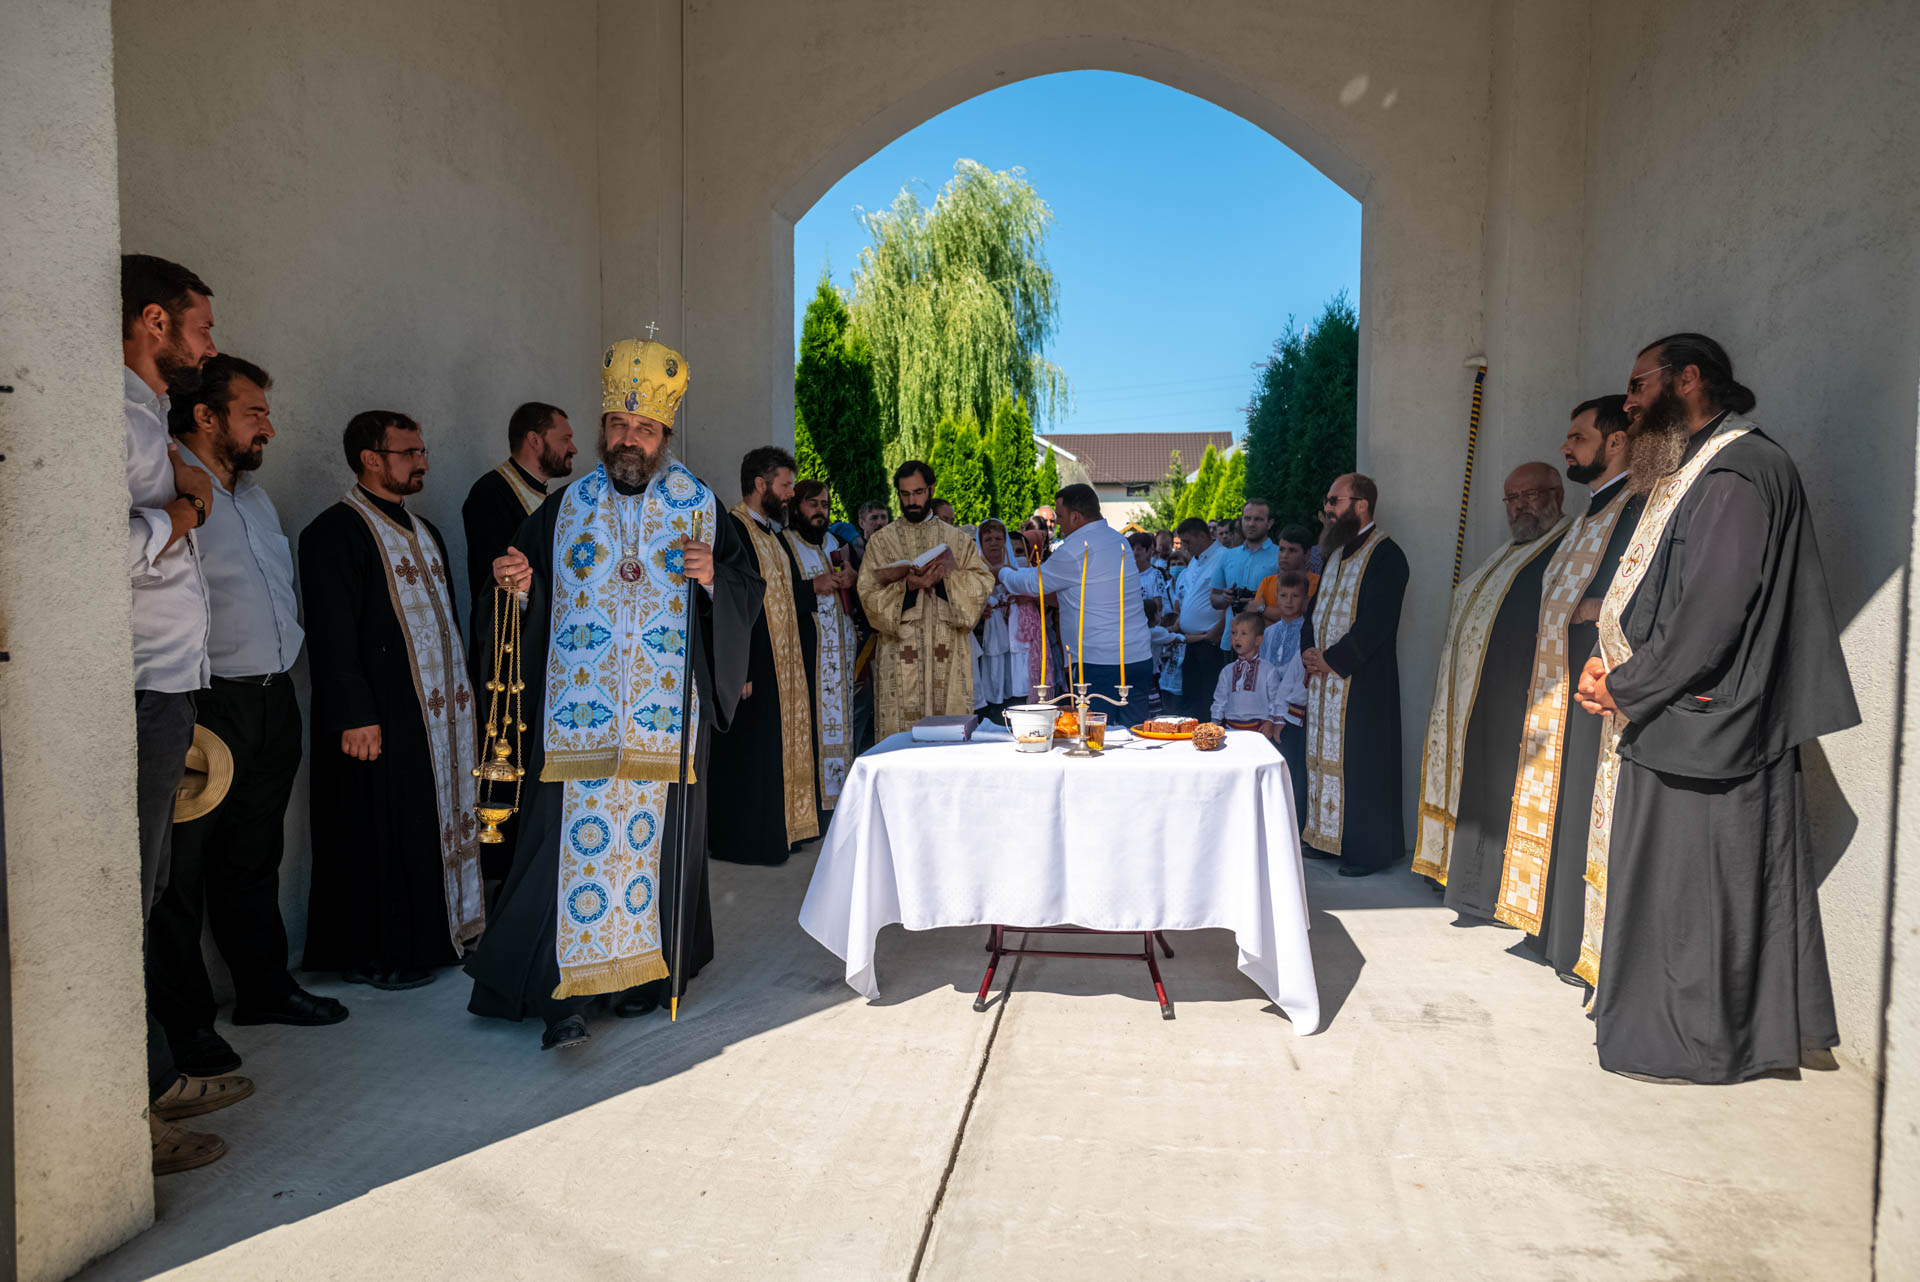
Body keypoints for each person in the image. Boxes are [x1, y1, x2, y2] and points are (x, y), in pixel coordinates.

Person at [1574, 334, 1856, 1084]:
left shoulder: (1735, 469)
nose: (1628, 403)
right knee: (1678, 894)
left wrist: (1624, 688)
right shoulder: (1699, 464)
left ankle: (1695, 1045)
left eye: (1638, 384)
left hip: (1709, 723)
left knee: (1697, 901)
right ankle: (1676, 1031)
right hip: (1680, 714)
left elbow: (1710, 615)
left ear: (1689, 378)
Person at [468, 335, 761, 1049]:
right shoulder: (562, 510)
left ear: (664, 435)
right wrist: (519, 590)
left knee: (652, 855)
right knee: (563, 855)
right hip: (578, 719)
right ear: (604, 429)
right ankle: (558, 998)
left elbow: (748, 588)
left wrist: (713, 580)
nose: (630, 439)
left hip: (665, 722)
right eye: (618, 426)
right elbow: (516, 596)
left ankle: (641, 980)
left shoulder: (701, 507)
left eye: (645, 429)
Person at [150, 356, 346, 1086]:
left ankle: (264, 991)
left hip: (270, 698)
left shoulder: (254, 498)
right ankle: (187, 1029)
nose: (269, 424)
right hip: (203, 703)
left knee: (252, 858)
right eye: (254, 411)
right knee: (179, 877)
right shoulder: (173, 485)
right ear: (206, 416)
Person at [122, 253, 253, 1175]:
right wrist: (183, 513)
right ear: (155, 322)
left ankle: (156, 1078)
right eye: (200, 325)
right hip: (134, 685)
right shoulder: (115, 412)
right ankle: (127, 1120)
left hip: (168, 682)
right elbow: (98, 540)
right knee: (128, 899)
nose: (209, 343)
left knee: (153, 886)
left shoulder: (145, 416)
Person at [299, 411, 484, 990]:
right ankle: (377, 954)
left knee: (423, 825)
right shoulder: (334, 531)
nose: (422, 462)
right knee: (374, 832)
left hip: (436, 718)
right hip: (377, 719)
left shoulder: (422, 529)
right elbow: (331, 634)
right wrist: (355, 714)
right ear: (370, 459)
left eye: (421, 450)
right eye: (408, 453)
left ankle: (439, 932)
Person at [1494, 396, 1644, 981]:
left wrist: (1591, 609)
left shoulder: (1636, 508)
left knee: (1584, 808)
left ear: (1614, 442)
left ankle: (1580, 943)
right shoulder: (1590, 511)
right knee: (1556, 805)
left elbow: (1641, 594)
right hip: (1555, 683)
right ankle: (1554, 932)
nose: (1565, 447)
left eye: (1577, 438)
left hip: (1594, 686)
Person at [1410, 462, 1572, 918]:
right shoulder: (1510, 550)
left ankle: (1490, 886)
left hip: (1515, 698)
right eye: (1512, 498)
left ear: (1557, 494)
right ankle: (1451, 868)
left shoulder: (1566, 545)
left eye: (1530, 495)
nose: (1520, 506)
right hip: (1470, 698)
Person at [460, 401, 576, 884]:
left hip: (553, 658)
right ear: (535, 440)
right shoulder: (492, 495)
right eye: (564, 438)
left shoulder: (554, 501)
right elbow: (499, 587)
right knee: (510, 771)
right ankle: (504, 885)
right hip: (509, 660)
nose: (573, 448)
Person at [708, 447, 820, 864]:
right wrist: (742, 669)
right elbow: (732, 606)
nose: (791, 493)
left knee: (776, 748)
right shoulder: (733, 530)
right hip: (754, 667)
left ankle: (786, 828)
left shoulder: (774, 535)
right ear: (761, 485)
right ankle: (748, 840)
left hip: (784, 664)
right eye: (786, 485)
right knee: (750, 756)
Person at [1301, 473, 1409, 877]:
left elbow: (1378, 621)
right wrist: (1310, 653)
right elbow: (1313, 612)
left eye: (1335, 500)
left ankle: (1368, 851)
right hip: (1325, 679)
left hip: (1363, 684)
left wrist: (1335, 659)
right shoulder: (1333, 554)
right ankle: (1328, 839)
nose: (1328, 508)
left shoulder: (1387, 555)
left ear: (1361, 504)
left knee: (1362, 764)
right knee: (1326, 762)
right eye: (1328, 501)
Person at [857, 461, 995, 739]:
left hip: (948, 651)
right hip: (898, 655)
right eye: (904, 494)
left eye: (918, 492)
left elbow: (982, 585)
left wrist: (945, 579)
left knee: (946, 740)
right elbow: (868, 596)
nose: (911, 501)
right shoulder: (881, 542)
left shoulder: (957, 540)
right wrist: (908, 586)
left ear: (931, 489)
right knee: (899, 741)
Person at [994, 485, 1153, 723]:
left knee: (1098, 735)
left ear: (1076, 516)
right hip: (1138, 655)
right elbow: (1086, 593)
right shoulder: (1118, 540)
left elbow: (1032, 583)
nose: (1058, 522)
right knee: (1136, 730)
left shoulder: (1074, 549)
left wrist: (1002, 572)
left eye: (1060, 515)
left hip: (1099, 660)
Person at [785, 478, 859, 818]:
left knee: (841, 724)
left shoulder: (835, 542)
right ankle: (812, 808)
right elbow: (773, 597)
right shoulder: (783, 544)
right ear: (795, 506)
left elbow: (857, 598)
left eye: (825, 505)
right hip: (807, 659)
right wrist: (811, 587)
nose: (820, 511)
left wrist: (852, 580)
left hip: (840, 658)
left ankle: (839, 804)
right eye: (813, 504)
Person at [1259, 570, 1313, 826]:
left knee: (1293, 766)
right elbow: (1266, 667)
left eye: (1295, 596)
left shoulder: (1307, 630)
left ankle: (1295, 822)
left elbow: (1294, 670)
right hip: (1269, 703)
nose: (1289, 601)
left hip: (1293, 707)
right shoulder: (1269, 633)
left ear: (1305, 600)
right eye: (1283, 595)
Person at [1211, 611, 1304, 745]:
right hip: (1230, 730)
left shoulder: (1268, 670)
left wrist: (1271, 721)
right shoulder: (1227, 671)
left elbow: (1275, 699)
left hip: (1259, 732)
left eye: (1243, 633)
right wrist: (1215, 723)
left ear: (1258, 640)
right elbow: (1219, 700)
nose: (1237, 638)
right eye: (1234, 633)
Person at [1169, 517, 1225, 719]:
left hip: (1210, 641)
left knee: (1207, 700)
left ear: (1202, 536)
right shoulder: (1193, 561)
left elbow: (1228, 602)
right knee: (1190, 700)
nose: (1185, 547)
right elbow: (1188, 596)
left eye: (1187, 542)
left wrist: (1217, 631)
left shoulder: (1223, 557)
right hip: (1190, 642)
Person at [1209, 499, 1280, 654]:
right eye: (1247, 518)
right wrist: (1225, 598)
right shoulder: (1228, 556)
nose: (1251, 524)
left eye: (1258, 519)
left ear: (1269, 523)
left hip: (1265, 643)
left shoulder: (1280, 555)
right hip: (1231, 641)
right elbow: (1214, 598)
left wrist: (1259, 606)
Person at [972, 518, 1020, 718]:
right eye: (988, 539)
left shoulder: (1015, 571)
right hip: (987, 637)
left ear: (1004, 541)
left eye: (998, 538)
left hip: (1014, 634)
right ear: (980, 543)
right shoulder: (974, 573)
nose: (993, 543)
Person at [1256, 524, 1319, 619]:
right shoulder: (1267, 582)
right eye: (1281, 549)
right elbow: (1256, 618)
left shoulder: (1319, 583)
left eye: (1292, 550)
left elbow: (1301, 615)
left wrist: (1263, 610)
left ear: (1307, 554)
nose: (1285, 555)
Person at [1130, 530, 1170, 619]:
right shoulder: (1126, 576)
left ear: (1148, 552)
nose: (1134, 553)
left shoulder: (1156, 575)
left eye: (1139, 549)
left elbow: (1158, 604)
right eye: (1131, 549)